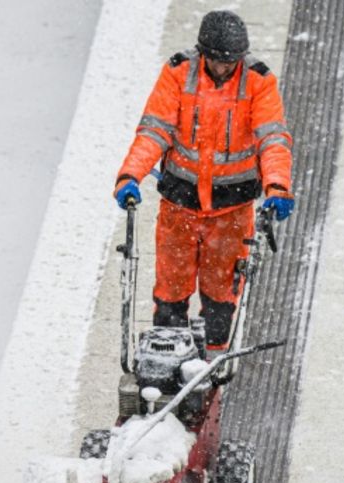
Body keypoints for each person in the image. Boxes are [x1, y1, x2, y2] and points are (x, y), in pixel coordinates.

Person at [113, 9, 294, 355]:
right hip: (180, 204)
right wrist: (130, 175)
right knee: (170, 290)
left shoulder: (259, 81)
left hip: (232, 208)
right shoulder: (179, 73)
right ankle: (168, 353)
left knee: (220, 294)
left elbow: (272, 139)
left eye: (231, 62)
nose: (224, 68)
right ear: (202, 53)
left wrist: (277, 187)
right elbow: (154, 130)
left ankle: (213, 360)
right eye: (217, 61)